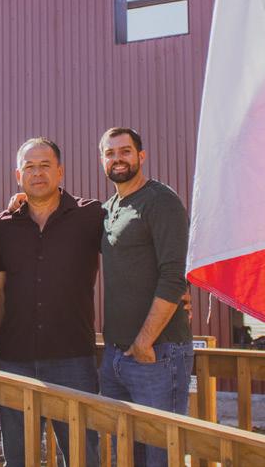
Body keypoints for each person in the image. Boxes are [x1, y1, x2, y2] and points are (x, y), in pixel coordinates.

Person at [0, 138, 102, 467]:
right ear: (18, 175)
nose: (37, 173)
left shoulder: (90, 216)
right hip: (15, 359)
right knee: (18, 458)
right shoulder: (3, 226)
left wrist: (177, 288)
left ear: (60, 172)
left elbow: (131, 248)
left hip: (73, 359)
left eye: (45, 166)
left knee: (82, 457)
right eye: (29, 167)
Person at [99, 127, 193, 467]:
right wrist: (22, 201)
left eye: (125, 151)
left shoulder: (160, 201)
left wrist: (144, 341)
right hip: (116, 355)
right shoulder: (109, 208)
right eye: (110, 153)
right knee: (127, 455)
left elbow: (174, 276)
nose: (118, 159)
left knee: (161, 456)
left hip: (158, 353)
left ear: (141, 156)